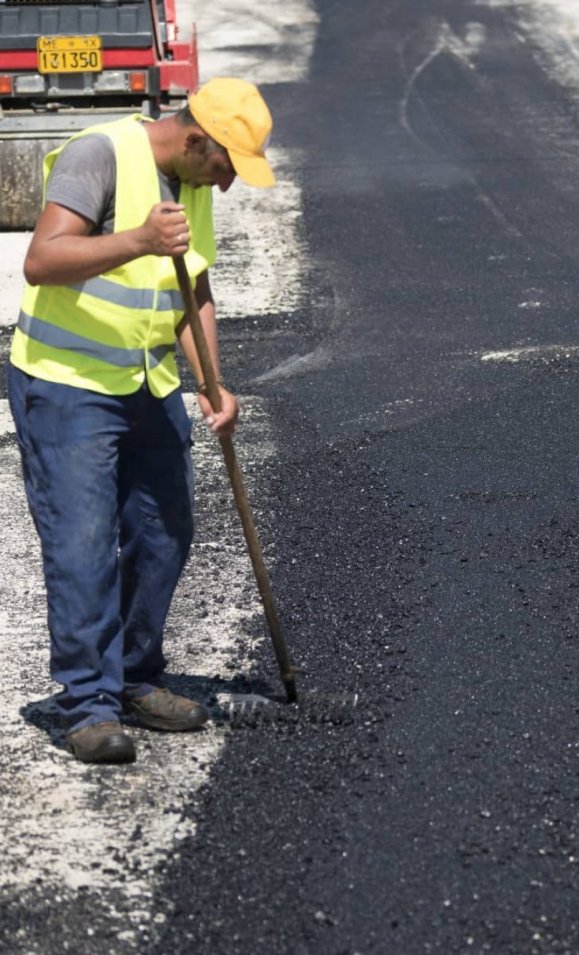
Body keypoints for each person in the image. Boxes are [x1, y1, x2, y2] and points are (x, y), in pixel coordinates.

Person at [7, 77, 276, 764]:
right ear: (194, 141)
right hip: (66, 385)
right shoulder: (100, 154)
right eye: (224, 168)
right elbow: (42, 261)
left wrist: (213, 383)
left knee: (165, 529)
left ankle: (131, 673)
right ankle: (86, 703)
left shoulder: (188, 183)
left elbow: (196, 288)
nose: (226, 187)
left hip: (146, 382)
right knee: (83, 543)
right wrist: (136, 240)